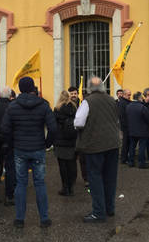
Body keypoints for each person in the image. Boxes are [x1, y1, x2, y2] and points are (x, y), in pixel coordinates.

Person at [0, 77, 57, 229]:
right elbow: (53, 128)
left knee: (21, 183)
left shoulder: (12, 106)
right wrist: (47, 143)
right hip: (38, 147)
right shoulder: (43, 105)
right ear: (33, 88)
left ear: (19, 88)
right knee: (39, 183)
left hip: (20, 149)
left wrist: (12, 143)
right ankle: (44, 219)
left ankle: (19, 219)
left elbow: (4, 129)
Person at [74, 77, 121, 223]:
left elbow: (78, 122)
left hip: (95, 145)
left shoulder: (88, 101)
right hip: (113, 143)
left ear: (89, 88)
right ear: (102, 86)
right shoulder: (112, 100)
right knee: (110, 178)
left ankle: (98, 212)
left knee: (95, 179)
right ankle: (109, 208)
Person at [0, 86, 16, 206]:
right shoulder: (12, 107)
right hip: (10, 142)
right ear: (9, 96)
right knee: (10, 169)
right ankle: (9, 195)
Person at [53, 90, 78, 196]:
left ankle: (65, 187)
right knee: (72, 164)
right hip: (72, 140)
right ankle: (71, 186)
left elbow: (53, 126)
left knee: (62, 165)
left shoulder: (57, 109)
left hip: (60, 141)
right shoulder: (74, 108)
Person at [126, 92, 149, 168]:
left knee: (132, 147)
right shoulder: (142, 107)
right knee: (142, 147)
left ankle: (131, 162)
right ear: (139, 98)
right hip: (142, 130)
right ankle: (141, 163)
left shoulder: (128, 106)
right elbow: (148, 118)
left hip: (132, 129)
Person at [117, 89, 132, 164]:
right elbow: (122, 116)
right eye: (128, 95)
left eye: (130, 95)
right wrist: (125, 126)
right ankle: (124, 159)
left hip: (127, 125)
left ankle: (125, 158)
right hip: (126, 126)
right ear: (124, 95)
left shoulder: (126, 102)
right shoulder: (123, 103)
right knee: (125, 143)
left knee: (127, 143)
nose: (130, 96)